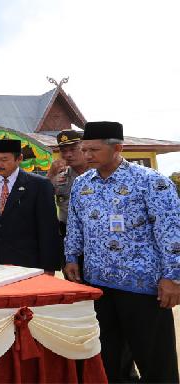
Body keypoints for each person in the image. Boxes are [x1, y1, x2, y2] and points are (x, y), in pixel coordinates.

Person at [64, 121, 180, 383]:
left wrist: (173, 277)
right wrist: (71, 256)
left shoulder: (151, 182)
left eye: (94, 150)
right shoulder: (83, 184)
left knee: (155, 360)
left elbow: (171, 232)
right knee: (109, 360)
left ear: (117, 148)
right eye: (85, 149)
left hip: (144, 287)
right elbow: (75, 223)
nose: (87, 156)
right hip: (99, 285)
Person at [0, 139, 62, 273]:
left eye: (4, 160)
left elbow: (48, 228)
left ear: (19, 159)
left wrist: (49, 266)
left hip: (26, 262)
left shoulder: (39, 185)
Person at [46, 129, 88, 237]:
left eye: (73, 149)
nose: (68, 155)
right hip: (67, 233)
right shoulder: (59, 176)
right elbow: (41, 197)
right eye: (63, 151)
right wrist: (50, 175)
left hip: (96, 233)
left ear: (85, 149)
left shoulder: (99, 174)